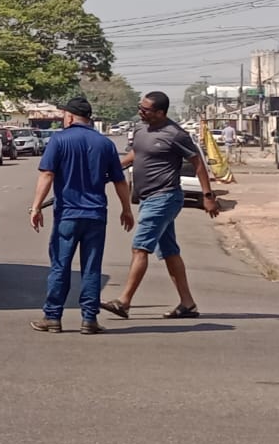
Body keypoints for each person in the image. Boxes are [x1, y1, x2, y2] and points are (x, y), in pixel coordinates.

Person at [101, 91, 219, 321]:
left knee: (140, 248)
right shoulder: (140, 130)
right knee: (170, 252)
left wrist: (207, 195)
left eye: (145, 110)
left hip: (164, 197)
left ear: (160, 112)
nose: (140, 112)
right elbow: (135, 154)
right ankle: (188, 304)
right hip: (146, 198)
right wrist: (108, 172)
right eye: (140, 107)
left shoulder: (175, 134)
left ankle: (124, 302)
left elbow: (198, 163)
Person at [27, 97, 134, 335]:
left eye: (64, 114)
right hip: (96, 215)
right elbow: (119, 180)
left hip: (68, 214)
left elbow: (47, 175)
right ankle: (89, 319)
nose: (63, 118)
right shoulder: (104, 144)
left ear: (71, 117)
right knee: (91, 267)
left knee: (60, 266)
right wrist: (126, 209)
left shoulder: (59, 140)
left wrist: (35, 207)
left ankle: (53, 317)